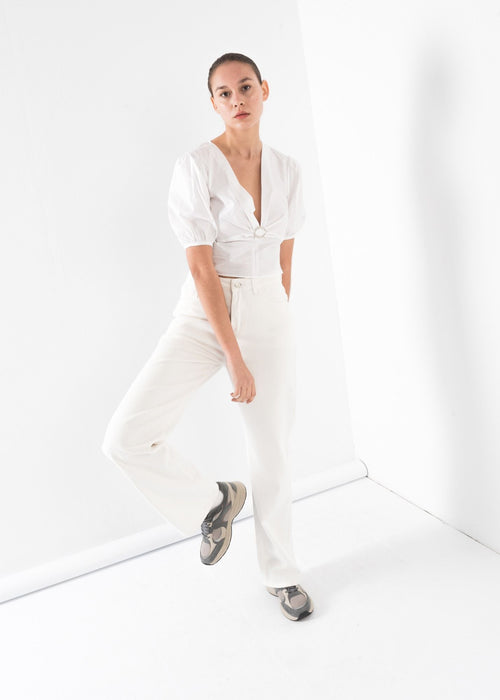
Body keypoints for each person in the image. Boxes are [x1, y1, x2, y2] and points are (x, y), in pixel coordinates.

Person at [101, 52, 314, 621]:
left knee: (271, 450)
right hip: (204, 311)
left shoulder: (289, 170)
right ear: (214, 103)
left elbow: (285, 257)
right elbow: (201, 269)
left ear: (264, 89)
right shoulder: (196, 167)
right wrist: (235, 357)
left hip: (267, 306)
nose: (237, 99)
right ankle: (213, 501)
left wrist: (274, 320)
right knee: (125, 436)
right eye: (225, 93)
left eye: (246, 87)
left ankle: (282, 576)